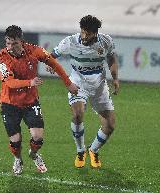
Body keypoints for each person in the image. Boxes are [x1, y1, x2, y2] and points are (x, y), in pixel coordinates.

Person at [0, 25, 79, 175]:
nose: (10, 47)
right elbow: (9, 82)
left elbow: (54, 63)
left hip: (30, 102)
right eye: (8, 43)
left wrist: (68, 83)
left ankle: (33, 155)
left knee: (38, 137)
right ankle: (18, 159)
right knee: (15, 141)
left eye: (14, 43)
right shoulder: (1, 58)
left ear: (22, 41)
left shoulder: (34, 50)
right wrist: (30, 82)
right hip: (9, 103)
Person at [46, 15, 120, 169]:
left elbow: (111, 59)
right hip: (78, 83)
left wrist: (115, 78)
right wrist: (50, 63)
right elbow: (52, 55)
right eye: (82, 32)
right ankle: (80, 151)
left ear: (95, 33)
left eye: (88, 33)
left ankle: (93, 150)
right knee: (77, 114)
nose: (84, 36)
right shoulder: (70, 42)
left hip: (99, 86)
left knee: (110, 125)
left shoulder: (105, 41)